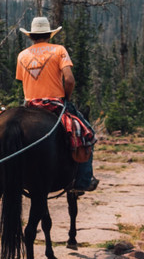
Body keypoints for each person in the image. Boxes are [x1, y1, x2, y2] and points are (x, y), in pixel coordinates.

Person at [15, 15, 98, 191]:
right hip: (54, 103)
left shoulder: (22, 55)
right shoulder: (59, 50)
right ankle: (83, 180)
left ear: (31, 36)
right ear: (49, 34)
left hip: (29, 105)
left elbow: (23, 82)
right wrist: (66, 97)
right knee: (86, 134)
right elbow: (70, 80)